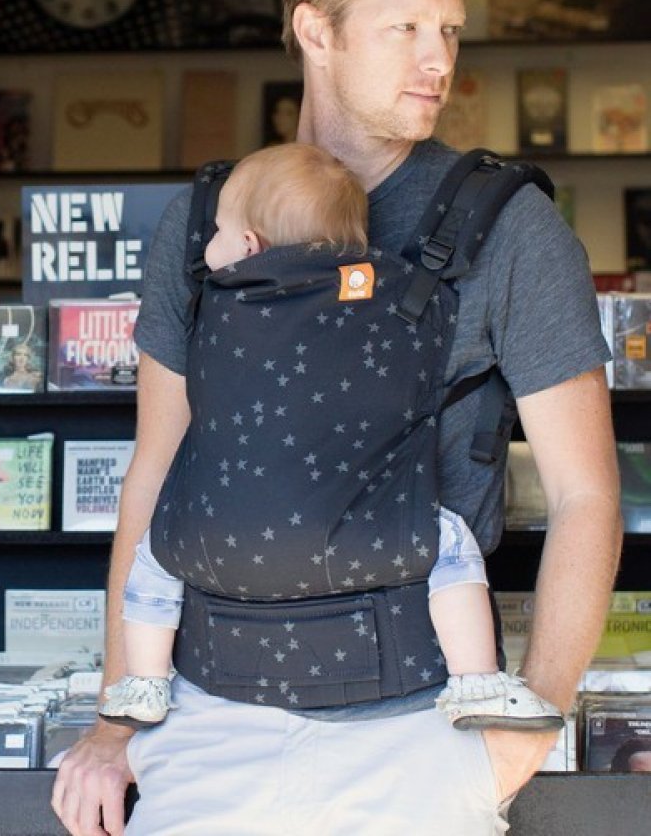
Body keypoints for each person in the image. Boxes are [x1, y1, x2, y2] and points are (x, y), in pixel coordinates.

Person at [53, 0, 622, 836]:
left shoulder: (511, 228)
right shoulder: (204, 222)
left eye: (448, 30)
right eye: (405, 28)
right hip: (205, 727)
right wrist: (119, 722)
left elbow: (585, 493)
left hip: (421, 733)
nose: (439, 59)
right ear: (315, 31)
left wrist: (529, 722)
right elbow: (154, 470)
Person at [97, 141, 563, 734]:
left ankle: (143, 682)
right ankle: (477, 681)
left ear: (249, 246)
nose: (208, 243)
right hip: (371, 541)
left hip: (216, 541)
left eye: (217, 232)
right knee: (452, 544)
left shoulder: (215, 307)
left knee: (152, 559)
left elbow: (157, 456)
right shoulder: (391, 295)